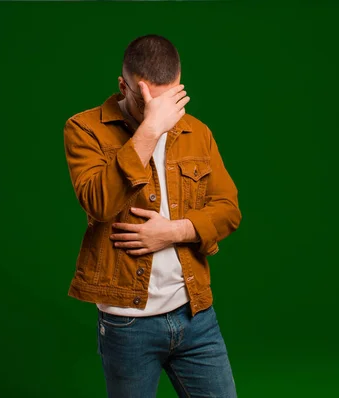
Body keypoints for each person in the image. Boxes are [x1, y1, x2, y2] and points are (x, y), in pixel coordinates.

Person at [63, 34, 241, 398]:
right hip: (127, 325)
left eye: (169, 101)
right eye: (147, 103)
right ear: (122, 86)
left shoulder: (197, 132)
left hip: (196, 316)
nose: (162, 113)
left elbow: (228, 210)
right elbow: (98, 203)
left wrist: (175, 231)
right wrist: (149, 131)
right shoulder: (84, 130)